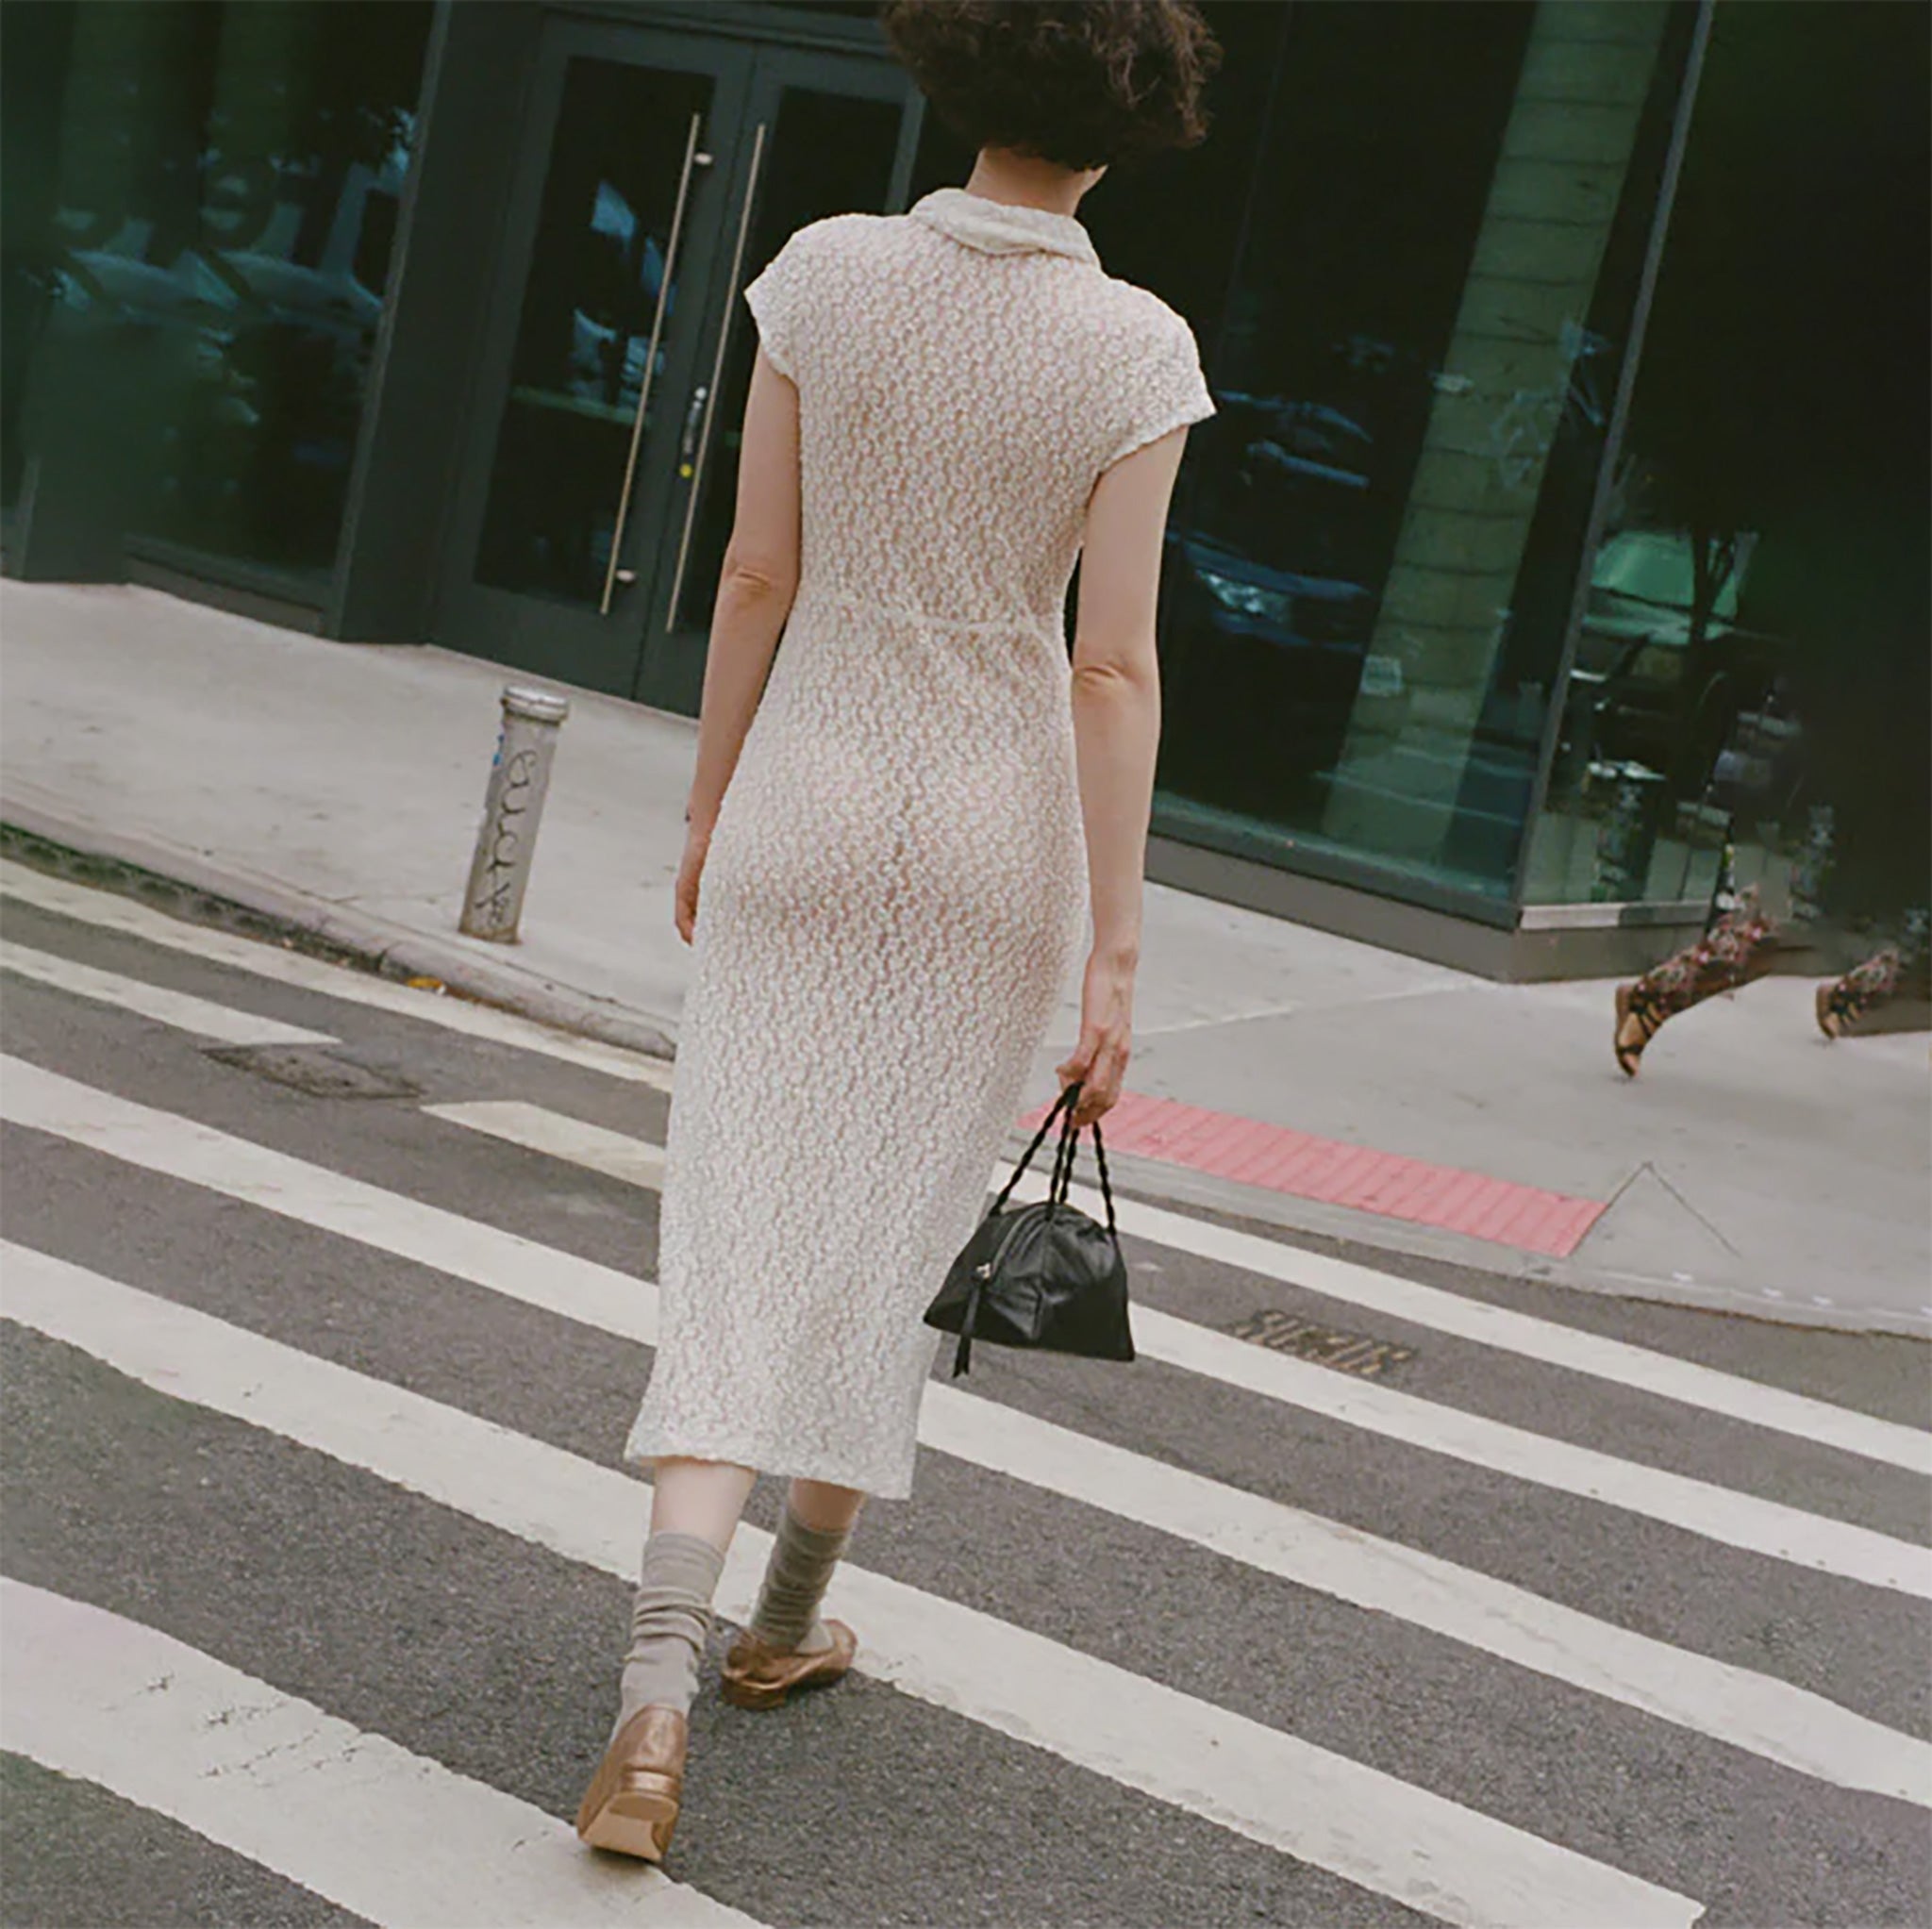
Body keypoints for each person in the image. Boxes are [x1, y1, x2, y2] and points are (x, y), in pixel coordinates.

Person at [574, 0, 1223, 1862]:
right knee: (890, 1241)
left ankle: (651, 1699)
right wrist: (1115, 958)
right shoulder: (1132, 346)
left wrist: (707, 807)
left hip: (806, 793)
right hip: (987, 838)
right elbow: (1111, 665)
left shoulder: (826, 275)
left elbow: (757, 568)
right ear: (1125, 128)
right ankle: (785, 1627)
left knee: (740, 1233)